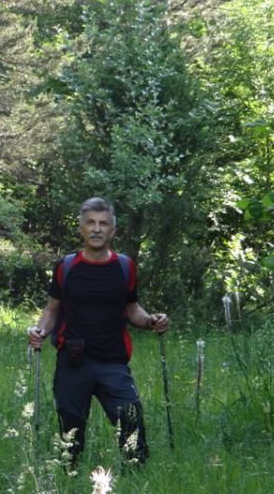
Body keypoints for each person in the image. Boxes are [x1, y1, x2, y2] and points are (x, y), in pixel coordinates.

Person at [28, 197, 169, 464]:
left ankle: (137, 478)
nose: (96, 229)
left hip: (113, 361)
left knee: (131, 421)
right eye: (90, 223)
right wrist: (40, 332)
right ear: (81, 229)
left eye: (103, 224)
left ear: (112, 231)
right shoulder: (66, 267)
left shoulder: (125, 267)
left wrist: (152, 321)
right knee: (70, 432)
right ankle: (70, 484)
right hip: (72, 361)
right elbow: (52, 310)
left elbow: (132, 309)